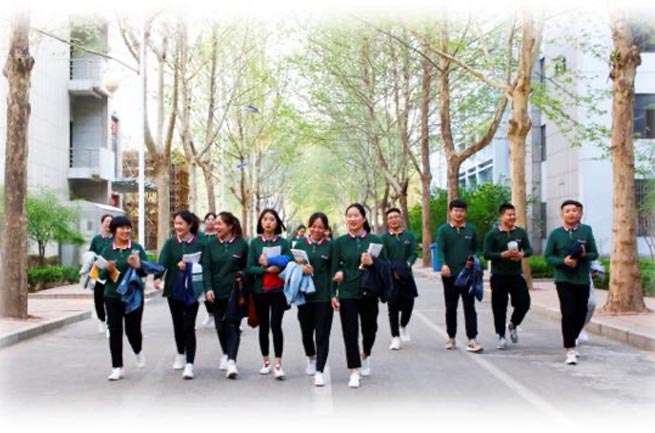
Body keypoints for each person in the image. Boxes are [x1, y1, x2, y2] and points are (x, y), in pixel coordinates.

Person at [331, 203, 387, 388]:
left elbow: (386, 267)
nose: (353, 219)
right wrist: (334, 288)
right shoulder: (339, 242)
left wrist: (372, 262)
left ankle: (366, 354)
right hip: (348, 292)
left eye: (356, 215)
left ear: (363, 218)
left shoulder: (375, 240)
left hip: (369, 291)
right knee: (350, 332)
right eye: (349, 216)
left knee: (370, 329)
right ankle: (354, 370)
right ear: (346, 219)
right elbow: (334, 267)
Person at [545, 199, 598, 365]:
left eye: (574, 210)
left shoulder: (586, 231)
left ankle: (574, 337)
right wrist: (563, 261)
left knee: (581, 313)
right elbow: (548, 257)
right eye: (567, 211)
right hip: (564, 279)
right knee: (568, 313)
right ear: (562, 214)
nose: (571, 213)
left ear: (579, 213)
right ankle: (570, 349)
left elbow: (594, 253)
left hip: (582, 279)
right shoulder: (555, 234)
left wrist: (583, 254)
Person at [98, 216, 148, 381]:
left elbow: (145, 271)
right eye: (122, 228)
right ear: (114, 230)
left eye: (128, 228)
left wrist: (138, 265)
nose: (126, 231)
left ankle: (138, 350)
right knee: (115, 331)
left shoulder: (136, 248)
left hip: (133, 297)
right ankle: (117, 367)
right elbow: (99, 276)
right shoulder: (107, 250)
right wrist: (107, 269)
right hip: (112, 296)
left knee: (133, 330)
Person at [157, 210, 204, 379]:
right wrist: (157, 276)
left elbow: (206, 265)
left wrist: (190, 266)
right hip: (174, 288)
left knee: (189, 325)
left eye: (181, 223)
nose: (177, 227)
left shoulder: (200, 244)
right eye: (176, 223)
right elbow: (162, 262)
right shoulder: (170, 243)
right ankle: (180, 354)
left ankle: (190, 364)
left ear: (189, 225)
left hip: (192, 291)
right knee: (178, 324)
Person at [246, 208, 292, 379]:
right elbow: (249, 267)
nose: (268, 222)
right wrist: (264, 269)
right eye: (265, 219)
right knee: (264, 326)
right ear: (261, 222)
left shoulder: (284, 243)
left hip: (278, 290)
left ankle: (278, 363)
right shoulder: (255, 243)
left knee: (276, 325)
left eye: (272, 219)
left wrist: (277, 266)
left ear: (277, 223)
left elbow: (290, 261)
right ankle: (266, 362)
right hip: (260, 290)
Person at [202, 212, 249, 379]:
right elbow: (206, 268)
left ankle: (231, 361)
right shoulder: (210, 245)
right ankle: (226, 353)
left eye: (220, 223)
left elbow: (247, 267)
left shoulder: (242, 245)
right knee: (220, 326)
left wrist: (242, 275)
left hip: (235, 293)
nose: (216, 226)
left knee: (232, 325)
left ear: (230, 226)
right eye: (215, 223)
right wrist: (208, 288)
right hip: (216, 292)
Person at [434, 199, 483, 353]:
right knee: (451, 307)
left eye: (461, 210)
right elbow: (440, 249)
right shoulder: (443, 230)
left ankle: (472, 338)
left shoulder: (471, 230)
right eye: (455, 210)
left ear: (465, 212)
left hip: (467, 275)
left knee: (469, 306)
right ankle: (451, 337)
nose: (459, 213)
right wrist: (443, 264)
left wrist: (473, 258)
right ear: (450, 212)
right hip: (449, 275)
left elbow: (477, 249)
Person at [483, 203, 533, 350]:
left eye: (513, 214)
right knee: (499, 306)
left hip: (516, 275)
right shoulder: (492, 234)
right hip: (498, 276)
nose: (512, 217)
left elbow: (529, 250)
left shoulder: (520, 233)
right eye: (508, 214)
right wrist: (501, 255)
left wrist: (522, 254)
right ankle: (501, 335)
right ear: (501, 216)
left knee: (524, 303)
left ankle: (513, 324)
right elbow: (486, 254)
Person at [293, 212, 334, 387]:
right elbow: (292, 267)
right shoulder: (300, 245)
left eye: (320, 227)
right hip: (305, 296)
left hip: (323, 297)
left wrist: (333, 295)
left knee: (323, 334)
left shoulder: (331, 246)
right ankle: (311, 357)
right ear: (309, 226)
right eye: (314, 226)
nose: (317, 230)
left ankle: (319, 370)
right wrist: (301, 269)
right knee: (306, 332)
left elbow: (333, 271)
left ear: (325, 229)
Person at [381, 208, 418, 351]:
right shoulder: (384, 238)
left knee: (409, 304)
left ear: (401, 218)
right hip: (391, 278)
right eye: (390, 218)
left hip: (407, 275)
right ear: (387, 221)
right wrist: (393, 270)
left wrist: (408, 264)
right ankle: (395, 337)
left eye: (396, 217)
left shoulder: (409, 236)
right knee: (393, 308)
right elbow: (384, 257)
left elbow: (414, 253)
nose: (393, 220)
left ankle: (403, 325)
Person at [88, 214, 113, 337]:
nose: (108, 224)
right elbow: (91, 254)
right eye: (106, 221)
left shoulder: (116, 239)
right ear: (102, 223)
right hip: (98, 274)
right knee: (98, 299)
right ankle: (101, 319)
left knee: (110, 299)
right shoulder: (96, 239)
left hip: (112, 274)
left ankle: (110, 324)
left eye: (110, 222)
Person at [199, 212, 218, 328]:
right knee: (205, 291)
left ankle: (221, 315)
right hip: (202, 267)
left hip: (216, 267)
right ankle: (210, 313)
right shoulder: (199, 236)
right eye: (208, 219)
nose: (210, 221)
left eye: (213, 219)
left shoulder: (219, 235)